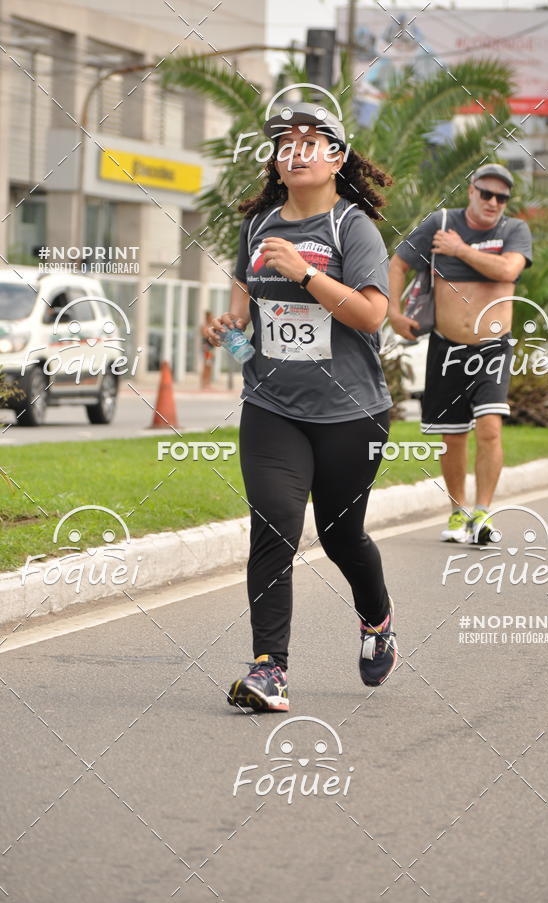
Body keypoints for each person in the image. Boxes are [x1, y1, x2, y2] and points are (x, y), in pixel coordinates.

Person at [207, 102, 396, 712]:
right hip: (272, 407)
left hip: (350, 414)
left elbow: (371, 315)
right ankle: (270, 669)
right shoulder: (258, 225)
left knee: (343, 539)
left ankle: (376, 622)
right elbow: (244, 321)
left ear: (337, 159)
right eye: (285, 142)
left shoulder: (353, 229)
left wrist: (305, 273)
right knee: (274, 526)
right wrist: (224, 333)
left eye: (311, 141)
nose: (295, 150)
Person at [388, 164, 533, 543]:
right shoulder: (440, 222)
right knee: (452, 437)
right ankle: (458, 513)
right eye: (486, 193)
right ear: (471, 191)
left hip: (492, 349)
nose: (493, 202)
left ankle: (482, 513)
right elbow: (399, 263)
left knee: (489, 428)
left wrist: (459, 250)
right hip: (446, 347)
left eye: (501, 197)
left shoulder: (513, 230)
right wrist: (392, 312)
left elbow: (507, 270)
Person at [200, 310, 215, 390]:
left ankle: (208, 382)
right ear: (207, 317)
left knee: (210, 366)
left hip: (211, 349)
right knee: (206, 365)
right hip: (207, 348)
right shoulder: (204, 326)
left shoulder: (210, 326)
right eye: (210, 317)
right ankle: (204, 383)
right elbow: (205, 336)